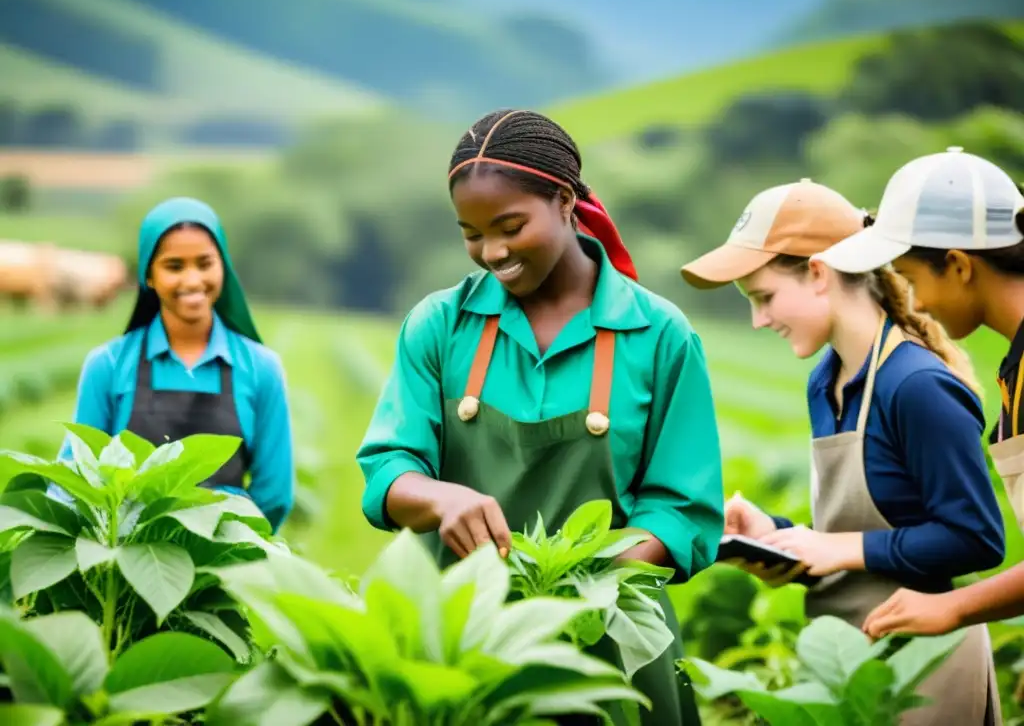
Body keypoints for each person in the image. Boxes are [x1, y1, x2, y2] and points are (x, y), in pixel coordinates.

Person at [356, 108, 725, 725]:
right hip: (464, 638)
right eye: (471, 233)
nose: (491, 251)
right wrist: (441, 499)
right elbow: (389, 468)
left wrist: (573, 588)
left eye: (509, 225)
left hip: (613, 647)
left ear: (563, 201)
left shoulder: (659, 335)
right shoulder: (440, 326)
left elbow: (683, 510)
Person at [679, 177, 1005, 725]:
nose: (760, 320)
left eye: (764, 298)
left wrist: (841, 549)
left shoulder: (916, 385)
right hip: (848, 664)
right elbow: (871, 530)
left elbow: (977, 538)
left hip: (929, 675)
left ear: (816, 272)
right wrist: (783, 541)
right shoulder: (824, 381)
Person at [805, 147, 1024, 646]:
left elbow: (975, 535)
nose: (917, 303)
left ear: (958, 265)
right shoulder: (1016, 367)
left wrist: (953, 606)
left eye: (912, 277)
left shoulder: (918, 382)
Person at [55, 197, 295, 533]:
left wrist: (230, 552)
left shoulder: (261, 369)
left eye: (204, 263)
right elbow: (74, 474)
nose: (193, 280)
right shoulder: (108, 366)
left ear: (223, 265)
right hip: (130, 563)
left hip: (226, 562)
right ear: (148, 275)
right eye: (174, 266)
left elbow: (274, 493)